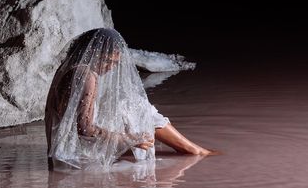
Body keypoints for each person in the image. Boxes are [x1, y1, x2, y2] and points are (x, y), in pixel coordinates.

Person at [45, 27, 218, 170]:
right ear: (94, 54)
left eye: (114, 63)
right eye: (108, 61)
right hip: (74, 160)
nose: (111, 68)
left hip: (62, 155)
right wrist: (130, 138)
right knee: (137, 108)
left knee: (131, 105)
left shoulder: (70, 69)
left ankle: (192, 149)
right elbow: (85, 130)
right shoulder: (86, 75)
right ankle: (192, 150)